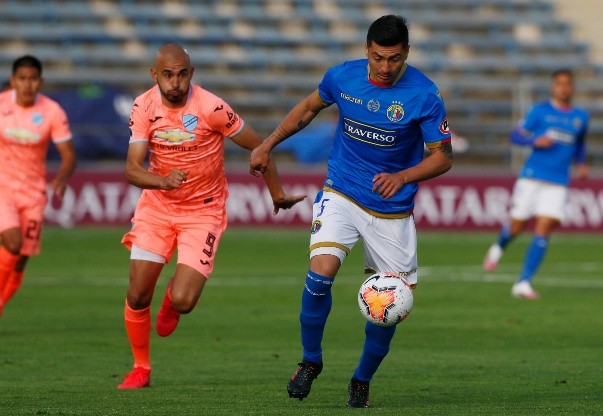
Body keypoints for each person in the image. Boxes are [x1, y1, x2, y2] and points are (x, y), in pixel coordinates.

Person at [250, 15, 453, 408]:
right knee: (319, 274)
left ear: (407, 53)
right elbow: (308, 109)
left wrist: (405, 176)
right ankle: (310, 360)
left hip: (392, 211)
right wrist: (267, 144)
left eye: (394, 59)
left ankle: (361, 379)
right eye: (378, 57)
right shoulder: (342, 78)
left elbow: (443, 158)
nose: (386, 67)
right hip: (342, 190)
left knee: (389, 306)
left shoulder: (425, 94)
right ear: (366, 50)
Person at [117, 43, 305, 389]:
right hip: (157, 209)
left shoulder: (212, 107)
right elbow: (131, 169)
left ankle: (174, 300)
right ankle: (140, 368)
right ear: (154, 75)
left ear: (191, 73)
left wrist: (276, 193)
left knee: (185, 301)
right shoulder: (143, 105)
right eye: (168, 75)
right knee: (138, 295)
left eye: (182, 74)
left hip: (203, 211)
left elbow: (258, 146)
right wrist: (162, 181)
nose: (175, 82)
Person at [483, 69, 589, 299]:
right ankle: (499, 246)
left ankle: (523, 282)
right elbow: (516, 136)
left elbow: (580, 143)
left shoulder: (581, 116)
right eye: (559, 83)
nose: (563, 88)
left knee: (545, 227)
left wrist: (581, 163)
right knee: (517, 226)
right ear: (553, 87)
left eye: (567, 84)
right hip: (532, 176)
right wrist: (534, 141)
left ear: (572, 87)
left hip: (558, 181)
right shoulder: (539, 112)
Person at [0, 55, 76, 317]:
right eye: (22, 79)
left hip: (33, 193)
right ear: (13, 81)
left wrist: (62, 176)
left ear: (40, 81)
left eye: (33, 79)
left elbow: (68, 154)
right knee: (12, 242)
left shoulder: (51, 111)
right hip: (3, 189)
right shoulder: (1, 106)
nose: (27, 85)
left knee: (21, 259)